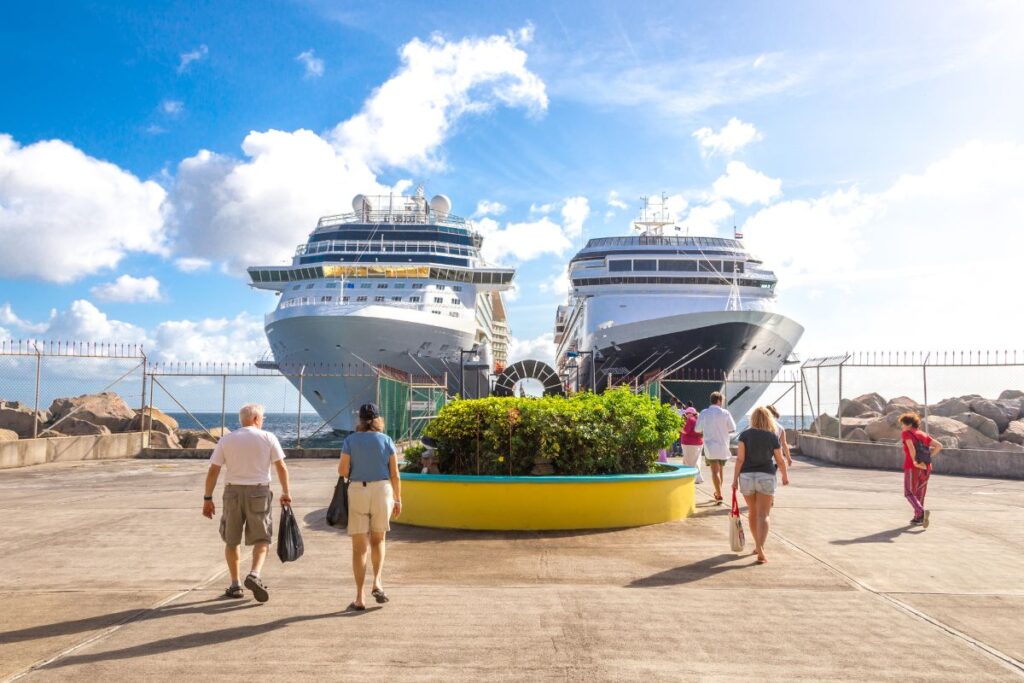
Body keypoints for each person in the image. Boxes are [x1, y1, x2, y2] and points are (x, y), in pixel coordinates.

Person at [202, 403, 291, 602]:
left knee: (231, 539)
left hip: (232, 491)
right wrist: (286, 492)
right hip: (259, 491)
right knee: (262, 538)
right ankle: (254, 574)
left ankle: (235, 585)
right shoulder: (268, 438)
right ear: (256, 419)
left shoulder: (227, 439)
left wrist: (207, 498)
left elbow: (213, 470)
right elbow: (281, 467)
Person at [339, 403, 402, 611]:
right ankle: (377, 582)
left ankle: (359, 597)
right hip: (383, 490)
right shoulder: (386, 440)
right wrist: (398, 498)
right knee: (378, 539)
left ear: (360, 419)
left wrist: (357, 473)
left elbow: (342, 470)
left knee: (359, 548)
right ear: (377, 419)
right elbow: (394, 473)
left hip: (358, 489)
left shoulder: (350, 440)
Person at [732, 407, 789, 564]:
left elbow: (740, 460)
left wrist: (734, 480)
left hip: (746, 476)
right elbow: (779, 460)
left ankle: (758, 547)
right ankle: (760, 548)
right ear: (768, 419)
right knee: (763, 515)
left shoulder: (744, 435)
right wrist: (784, 475)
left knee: (752, 512)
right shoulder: (771, 436)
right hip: (766, 476)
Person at [899, 412, 942, 527]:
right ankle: (918, 518)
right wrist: (928, 457)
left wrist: (915, 461)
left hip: (913, 466)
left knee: (909, 492)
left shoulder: (906, 433)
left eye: (902, 424)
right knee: (920, 493)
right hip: (927, 466)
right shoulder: (923, 434)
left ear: (908, 424)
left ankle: (921, 512)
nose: (901, 427)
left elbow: (911, 448)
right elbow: (939, 446)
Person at [696, 391, 737, 503]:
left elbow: (697, 429)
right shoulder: (725, 413)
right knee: (721, 470)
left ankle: (718, 494)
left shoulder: (704, 413)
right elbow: (733, 428)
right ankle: (718, 492)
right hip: (723, 445)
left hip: (710, 446)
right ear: (719, 400)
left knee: (715, 472)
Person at [680, 406, 705, 484]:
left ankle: (692, 478)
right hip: (698, 443)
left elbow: (685, 431)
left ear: (690, 413)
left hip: (689, 444)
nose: (685, 415)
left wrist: (678, 428)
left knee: (689, 462)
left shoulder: (690, 419)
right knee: (696, 461)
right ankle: (698, 478)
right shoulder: (698, 419)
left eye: (686, 413)